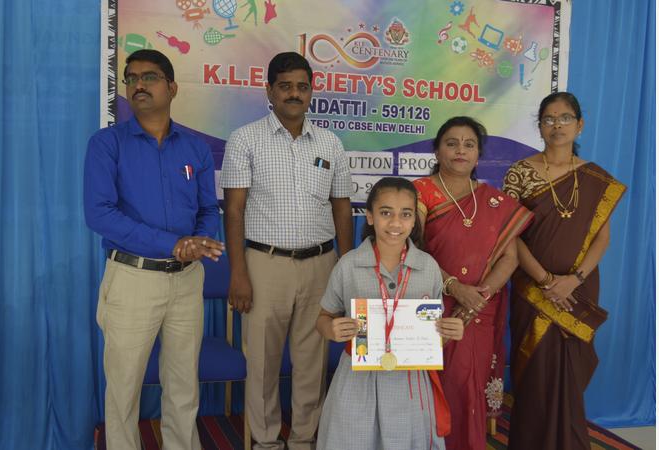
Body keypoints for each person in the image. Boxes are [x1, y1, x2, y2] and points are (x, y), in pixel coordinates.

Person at [84, 49, 224, 450]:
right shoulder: (107, 144)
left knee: (183, 384)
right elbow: (99, 214)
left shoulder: (195, 149)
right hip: (133, 279)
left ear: (172, 88)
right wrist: (172, 244)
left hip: (186, 280)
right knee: (123, 387)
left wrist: (198, 242)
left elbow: (207, 210)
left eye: (149, 77)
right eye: (131, 78)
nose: (138, 85)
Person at [220, 51, 354, 450]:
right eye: (285, 86)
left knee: (311, 361)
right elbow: (234, 210)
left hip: (321, 265)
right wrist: (238, 273)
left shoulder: (330, 143)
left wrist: (346, 268)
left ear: (311, 91)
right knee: (262, 361)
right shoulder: (245, 139)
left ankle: (303, 439)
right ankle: (264, 441)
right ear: (269, 91)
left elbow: (342, 207)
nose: (294, 94)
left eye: (301, 86)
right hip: (265, 264)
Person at [502, 92, 626, 450]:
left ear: (580, 124)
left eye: (565, 118)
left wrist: (574, 280)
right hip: (531, 288)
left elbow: (602, 239)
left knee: (570, 373)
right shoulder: (520, 173)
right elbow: (509, 235)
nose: (557, 125)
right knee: (534, 372)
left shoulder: (597, 179)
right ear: (540, 126)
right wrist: (545, 281)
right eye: (549, 119)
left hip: (578, 289)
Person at [315, 177, 465, 450]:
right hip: (358, 382)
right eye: (386, 213)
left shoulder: (428, 267)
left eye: (405, 214)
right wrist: (331, 329)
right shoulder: (348, 265)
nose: (396, 223)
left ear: (414, 220)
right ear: (370, 216)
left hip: (410, 385)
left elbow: (433, 335)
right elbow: (323, 318)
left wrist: (449, 331)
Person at [413, 117, 533, 450]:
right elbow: (412, 251)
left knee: (467, 387)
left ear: (479, 155)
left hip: (479, 310)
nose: (460, 150)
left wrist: (480, 296)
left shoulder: (494, 201)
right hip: (431, 303)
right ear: (437, 151)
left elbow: (511, 257)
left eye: (469, 144)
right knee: (428, 387)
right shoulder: (419, 192)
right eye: (451, 143)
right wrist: (455, 288)